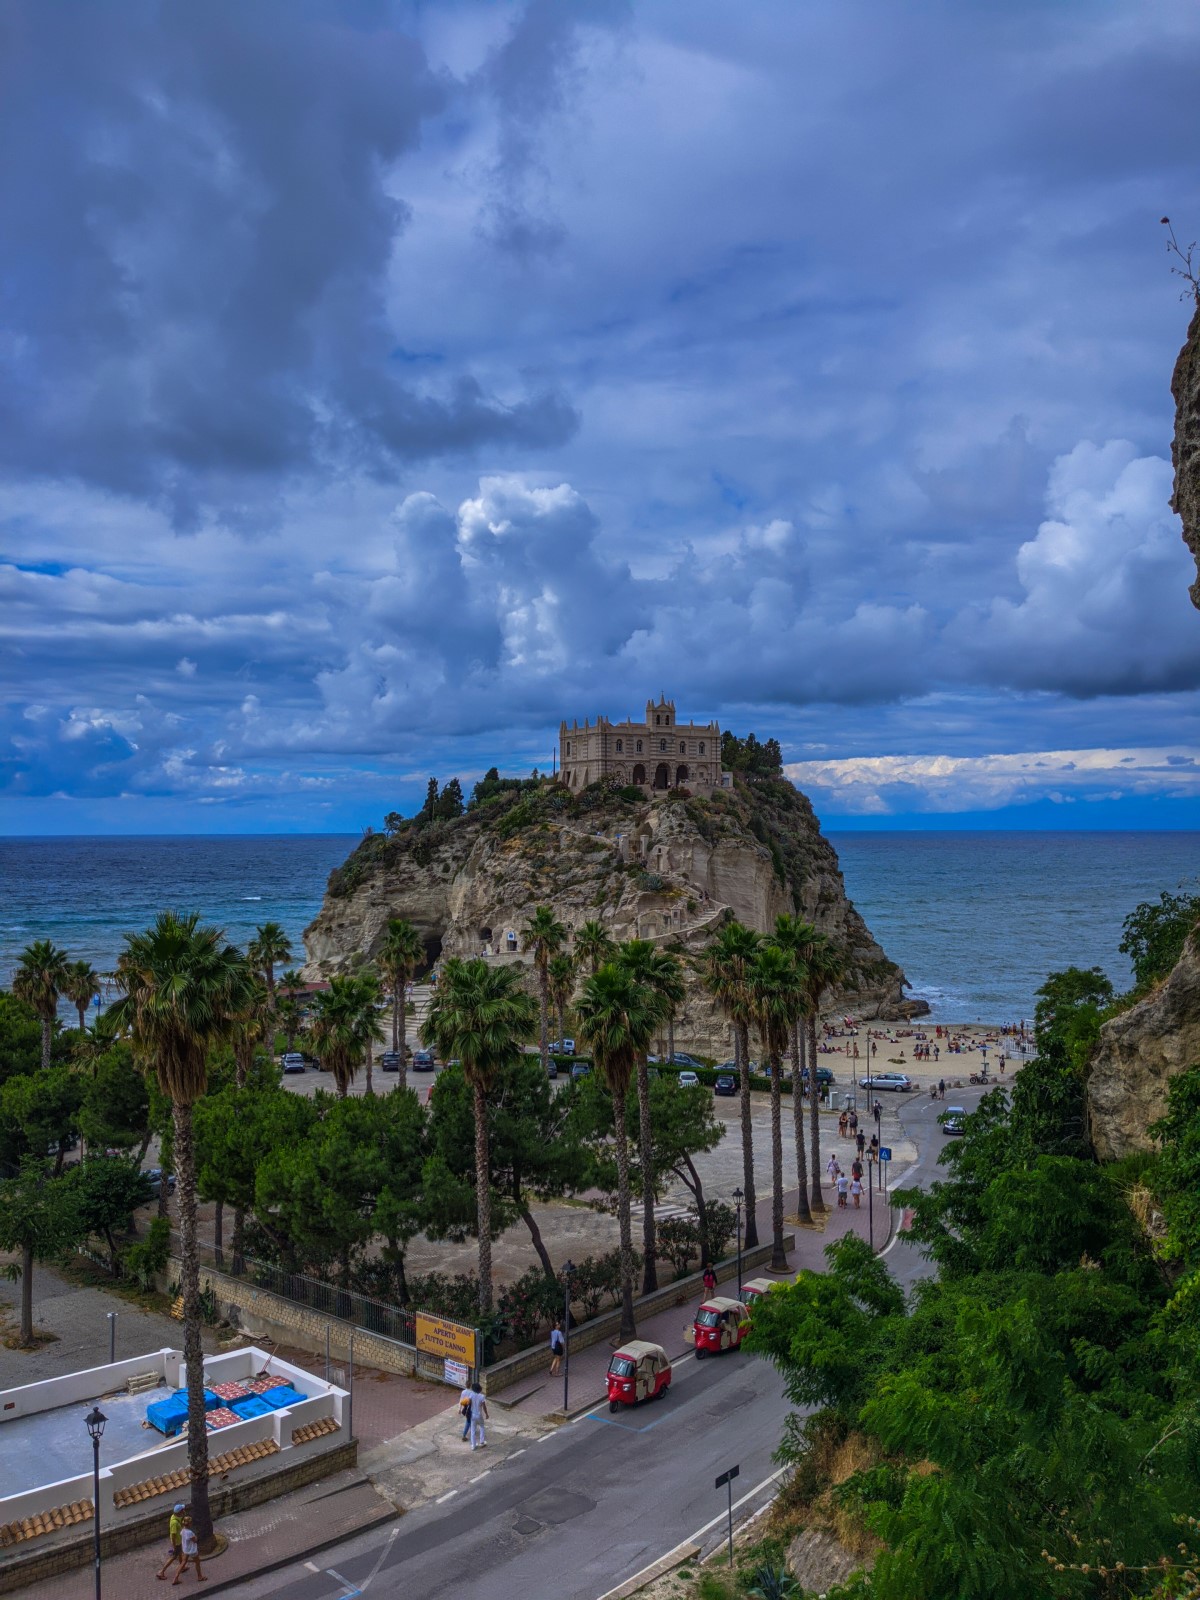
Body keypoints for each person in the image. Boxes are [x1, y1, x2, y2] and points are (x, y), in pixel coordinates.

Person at [171, 1512, 206, 1585]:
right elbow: (195, 1540)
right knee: (197, 1563)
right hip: (192, 1550)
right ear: (189, 1523)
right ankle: (200, 1576)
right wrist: (196, 1537)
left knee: (183, 1563)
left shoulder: (183, 1530)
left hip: (185, 1549)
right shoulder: (190, 1532)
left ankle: (176, 1578)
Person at [156, 1503, 186, 1580]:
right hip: (176, 1543)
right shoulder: (174, 1523)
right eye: (183, 1510)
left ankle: (182, 1567)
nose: (184, 1511)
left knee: (179, 1554)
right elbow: (173, 1535)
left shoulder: (176, 1517)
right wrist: (174, 1546)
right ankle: (161, 1571)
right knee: (173, 1556)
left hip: (178, 1541)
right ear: (179, 1512)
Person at [469, 1382, 488, 1450]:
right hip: (479, 1414)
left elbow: (469, 1404)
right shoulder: (482, 1396)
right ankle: (482, 1442)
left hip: (473, 1414)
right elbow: (484, 1406)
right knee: (482, 1426)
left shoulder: (471, 1395)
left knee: (473, 1430)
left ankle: (473, 1445)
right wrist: (486, 1414)